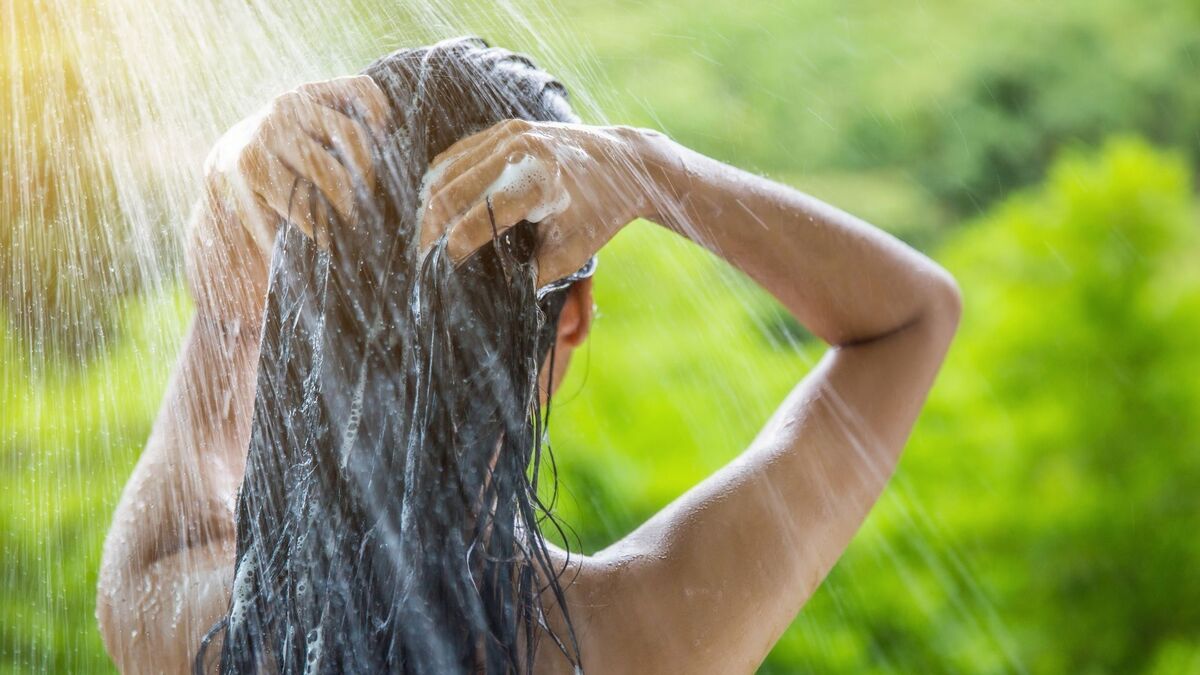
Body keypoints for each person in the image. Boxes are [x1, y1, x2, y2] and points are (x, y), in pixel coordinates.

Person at [97, 36, 961, 674]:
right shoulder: (637, 635)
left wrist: (234, 169)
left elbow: (226, 319)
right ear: (573, 318)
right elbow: (913, 316)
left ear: (309, 314)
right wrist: (652, 171)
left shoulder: (178, 617)